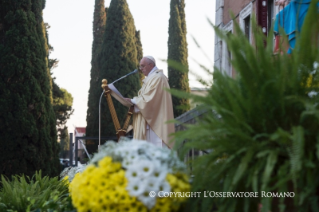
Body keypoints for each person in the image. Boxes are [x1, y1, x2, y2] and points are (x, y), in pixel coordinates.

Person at [124, 56, 175, 148]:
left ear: (150, 65)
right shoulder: (152, 78)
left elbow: (150, 100)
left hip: (156, 125)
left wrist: (133, 101)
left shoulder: (158, 78)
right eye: (140, 66)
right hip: (150, 123)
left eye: (143, 66)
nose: (141, 69)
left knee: (156, 154)